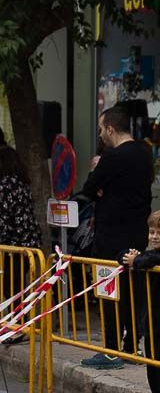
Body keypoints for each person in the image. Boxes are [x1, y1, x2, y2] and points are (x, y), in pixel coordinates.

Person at [79, 105, 154, 369]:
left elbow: (89, 188)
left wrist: (98, 181)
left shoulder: (112, 157)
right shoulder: (145, 153)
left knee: (109, 291)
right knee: (133, 291)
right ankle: (132, 345)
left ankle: (111, 349)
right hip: (137, 232)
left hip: (110, 235)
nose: (100, 135)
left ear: (110, 129)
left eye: (101, 130)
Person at [122, 212, 160, 393]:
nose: (154, 237)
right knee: (152, 369)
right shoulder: (150, 255)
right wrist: (131, 259)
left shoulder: (153, 258)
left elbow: (148, 260)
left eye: (159, 233)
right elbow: (124, 258)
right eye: (152, 232)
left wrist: (137, 261)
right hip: (152, 322)